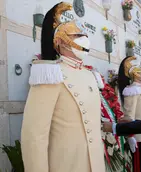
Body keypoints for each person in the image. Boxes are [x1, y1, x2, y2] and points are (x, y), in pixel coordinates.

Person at [21, 2, 105, 172]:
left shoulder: (89, 75)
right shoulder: (50, 74)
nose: (83, 38)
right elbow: (35, 136)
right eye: (76, 35)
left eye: (83, 34)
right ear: (59, 41)